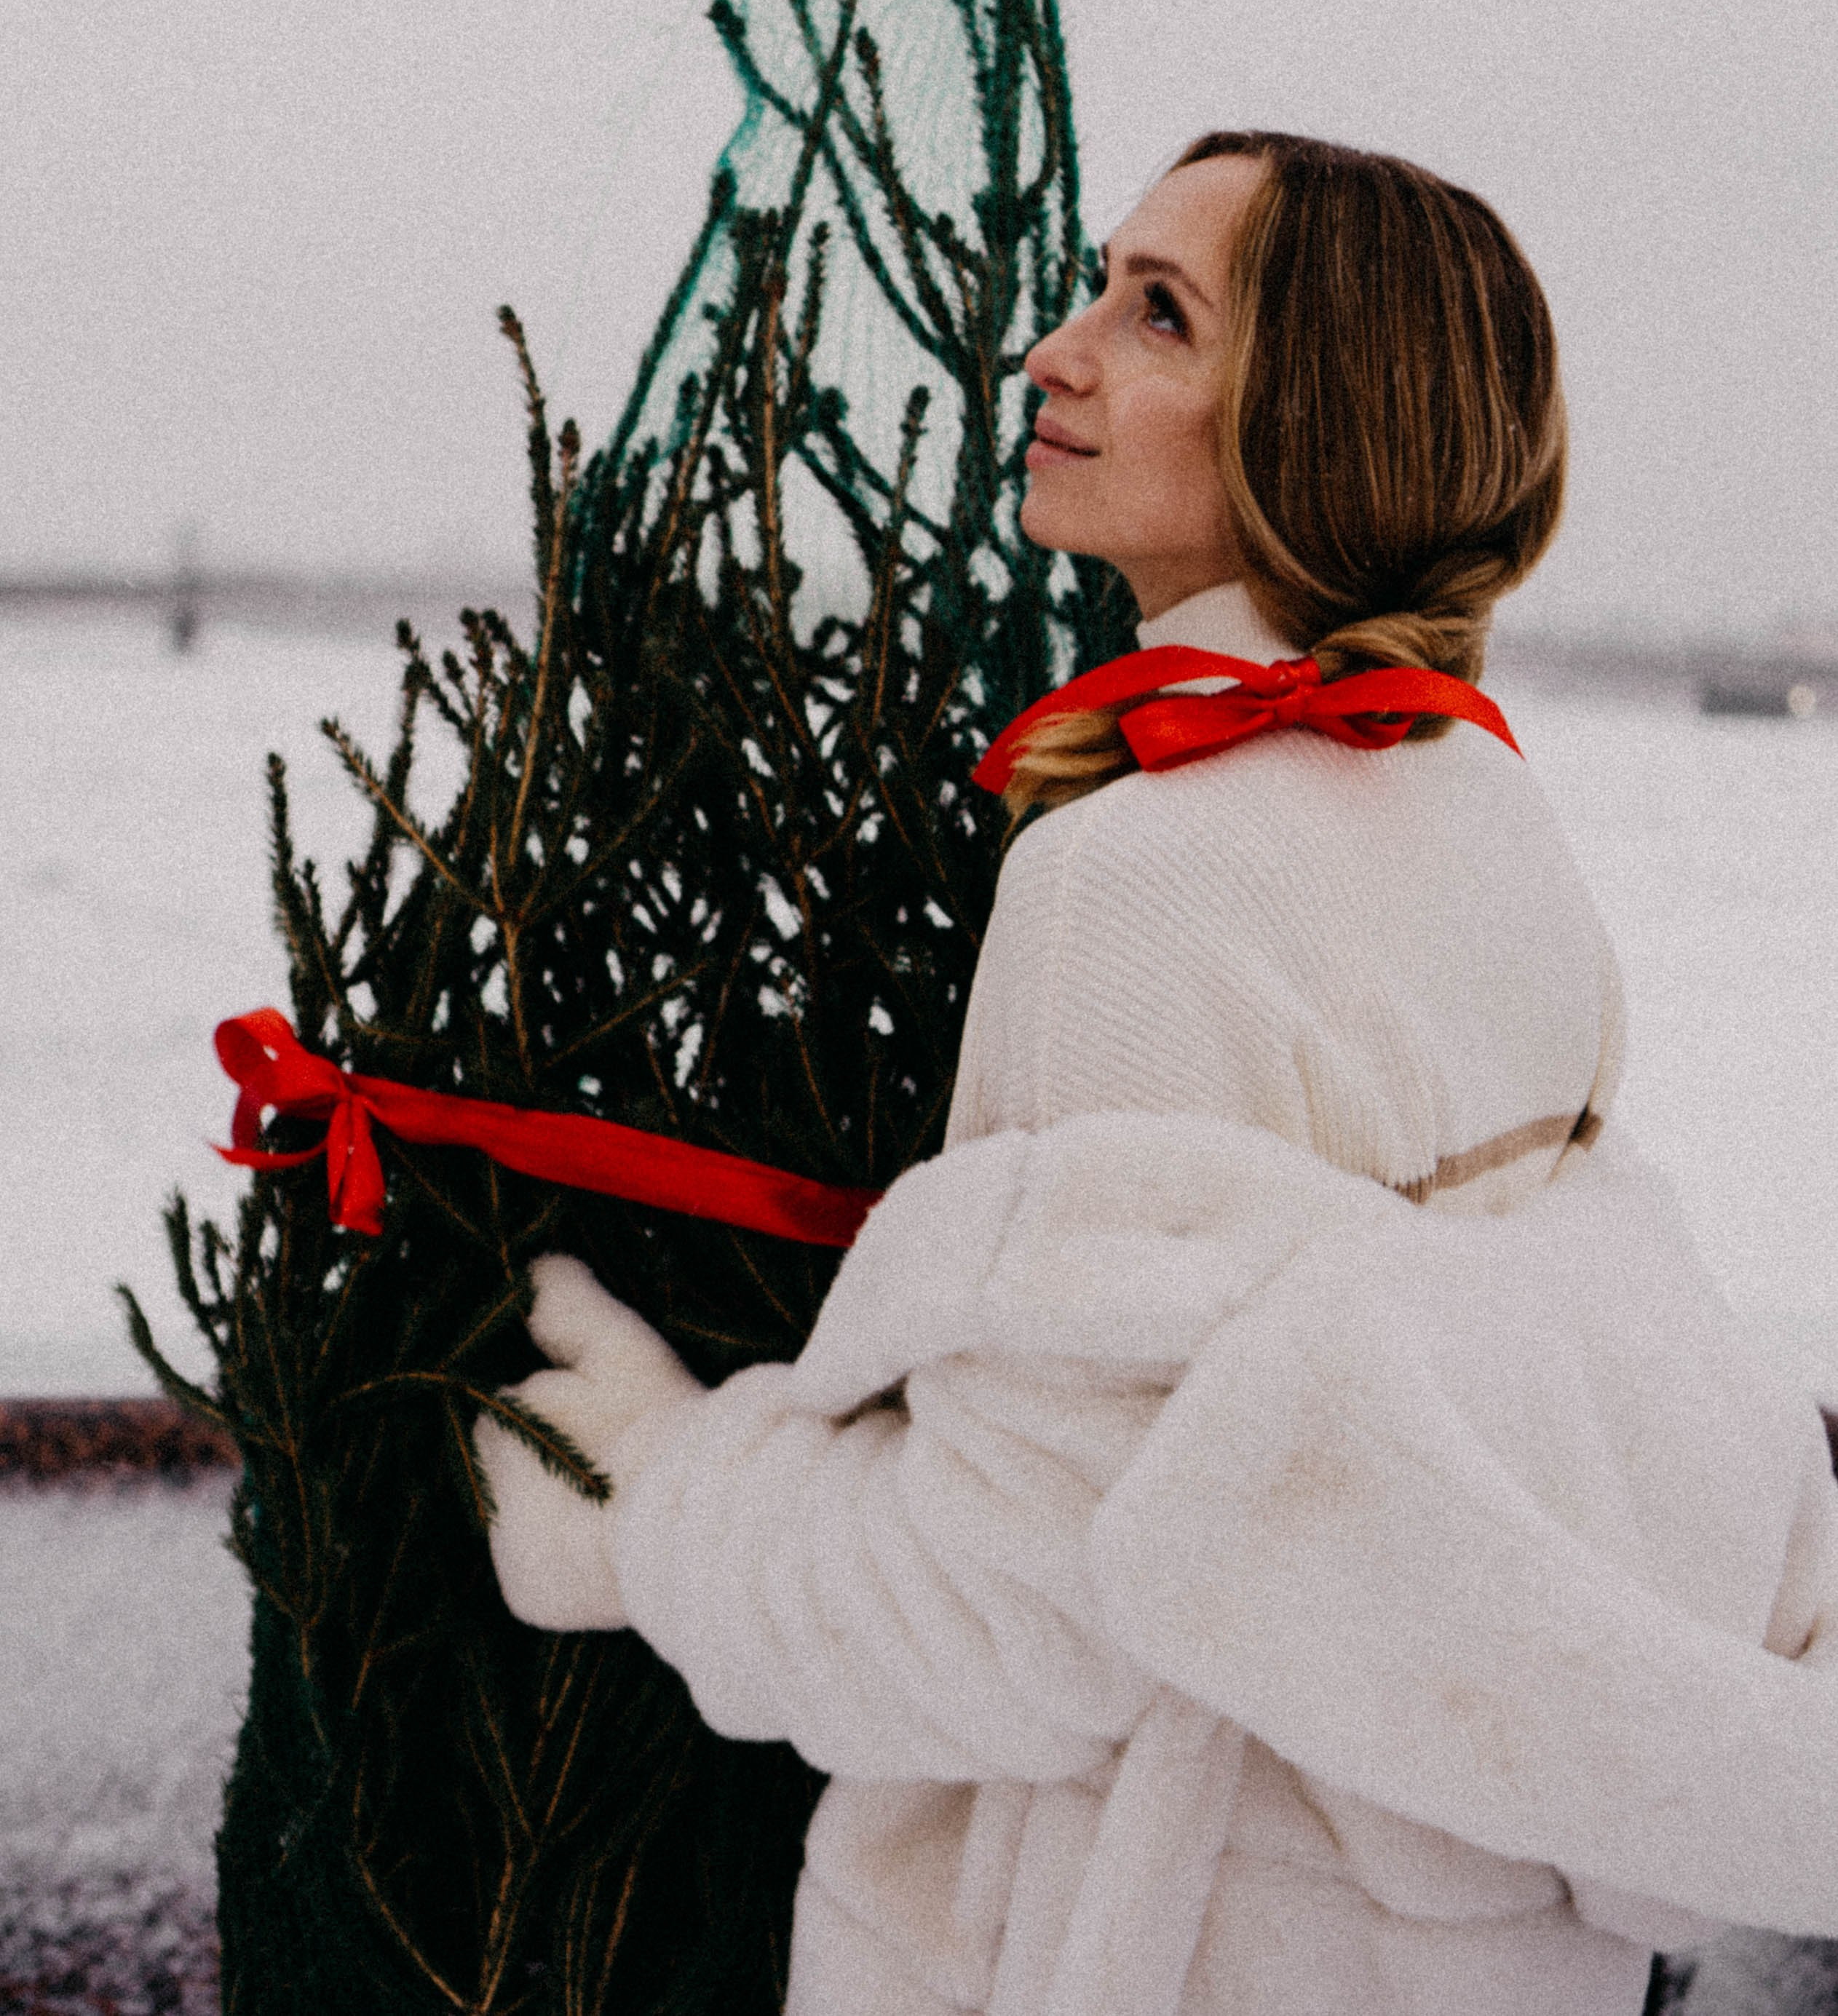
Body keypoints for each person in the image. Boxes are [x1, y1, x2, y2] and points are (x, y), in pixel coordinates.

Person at [476, 132, 1838, 2016]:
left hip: (1171, 1937)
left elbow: (1034, 1605)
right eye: (1101, 284)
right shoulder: (1486, 804)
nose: (1054, 348)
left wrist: (652, 1505)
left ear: (1326, 413)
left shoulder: (1139, 872)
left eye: (1159, 310)